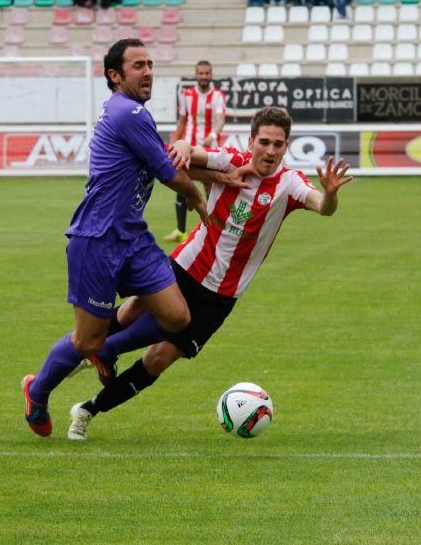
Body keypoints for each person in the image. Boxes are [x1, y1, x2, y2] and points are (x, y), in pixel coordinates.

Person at [65, 107, 354, 440]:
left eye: (278, 144)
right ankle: (80, 353)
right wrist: (185, 147)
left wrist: (330, 194)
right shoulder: (231, 160)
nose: (270, 151)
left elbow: (322, 206)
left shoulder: (289, 184)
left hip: (222, 296)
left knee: (158, 358)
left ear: (286, 146)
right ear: (251, 141)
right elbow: (189, 152)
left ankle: (88, 409)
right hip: (187, 267)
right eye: (264, 142)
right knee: (131, 311)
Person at [20, 39, 210, 438]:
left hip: (133, 238)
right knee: (86, 340)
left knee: (177, 318)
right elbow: (169, 173)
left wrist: (217, 174)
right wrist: (196, 196)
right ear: (115, 76)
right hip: (97, 239)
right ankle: (37, 392)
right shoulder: (129, 112)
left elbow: (172, 159)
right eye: (138, 65)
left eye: (151, 64)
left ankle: (109, 346)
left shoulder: (131, 113)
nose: (148, 72)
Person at [164, 61, 226, 243]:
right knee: (181, 183)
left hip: (207, 149)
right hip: (187, 148)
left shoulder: (217, 96)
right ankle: (180, 230)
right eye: (201, 73)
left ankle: (215, 228)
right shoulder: (187, 95)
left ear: (211, 74)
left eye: (207, 73)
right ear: (196, 74)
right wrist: (175, 141)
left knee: (210, 187)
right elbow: (182, 120)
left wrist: (214, 134)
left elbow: (220, 118)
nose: (204, 76)